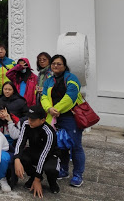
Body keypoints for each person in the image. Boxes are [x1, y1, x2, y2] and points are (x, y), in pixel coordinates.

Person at [41, 54, 85, 187]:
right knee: (61, 145)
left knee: (75, 146)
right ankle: (64, 170)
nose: (55, 66)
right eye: (53, 63)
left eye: (59, 64)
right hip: (54, 117)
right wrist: (49, 109)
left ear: (65, 66)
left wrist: (57, 109)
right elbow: (44, 97)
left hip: (70, 116)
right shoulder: (49, 80)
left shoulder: (72, 78)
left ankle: (78, 175)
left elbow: (71, 96)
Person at [14, 106, 60, 196]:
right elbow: (20, 142)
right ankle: (33, 175)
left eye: (33, 120)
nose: (29, 121)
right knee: (21, 157)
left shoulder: (49, 132)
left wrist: (37, 179)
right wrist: (17, 159)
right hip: (35, 151)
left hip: (50, 155)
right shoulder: (26, 124)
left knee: (50, 169)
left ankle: (52, 182)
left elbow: (44, 155)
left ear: (42, 120)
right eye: (29, 118)